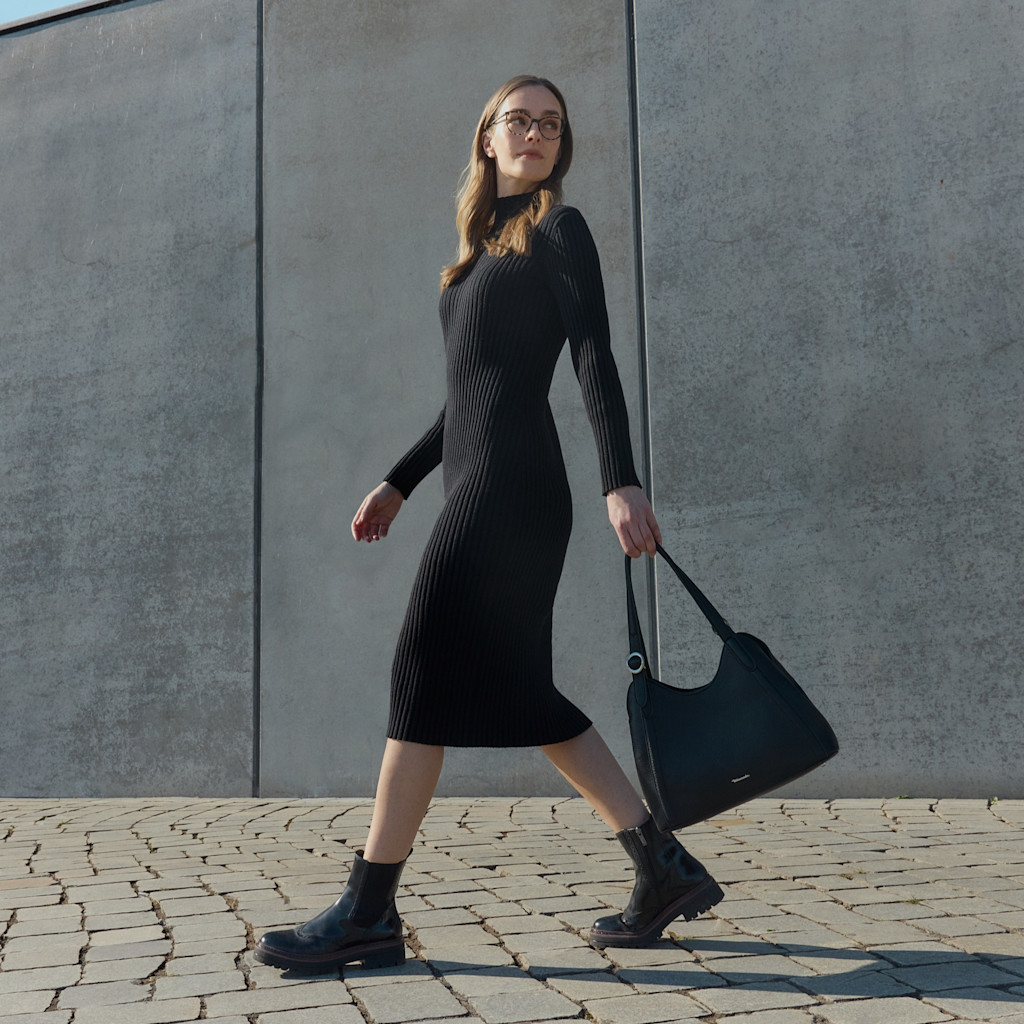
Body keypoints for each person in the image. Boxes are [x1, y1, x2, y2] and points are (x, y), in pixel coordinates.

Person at [254, 75, 723, 974]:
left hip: (513, 491)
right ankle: (662, 867)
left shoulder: (559, 228)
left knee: (419, 673)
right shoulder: (474, 254)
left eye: (551, 124)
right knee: (521, 699)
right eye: (520, 120)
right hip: (476, 477)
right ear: (487, 138)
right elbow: (467, 397)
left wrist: (619, 480)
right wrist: (399, 481)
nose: (537, 133)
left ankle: (368, 911)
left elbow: (593, 355)